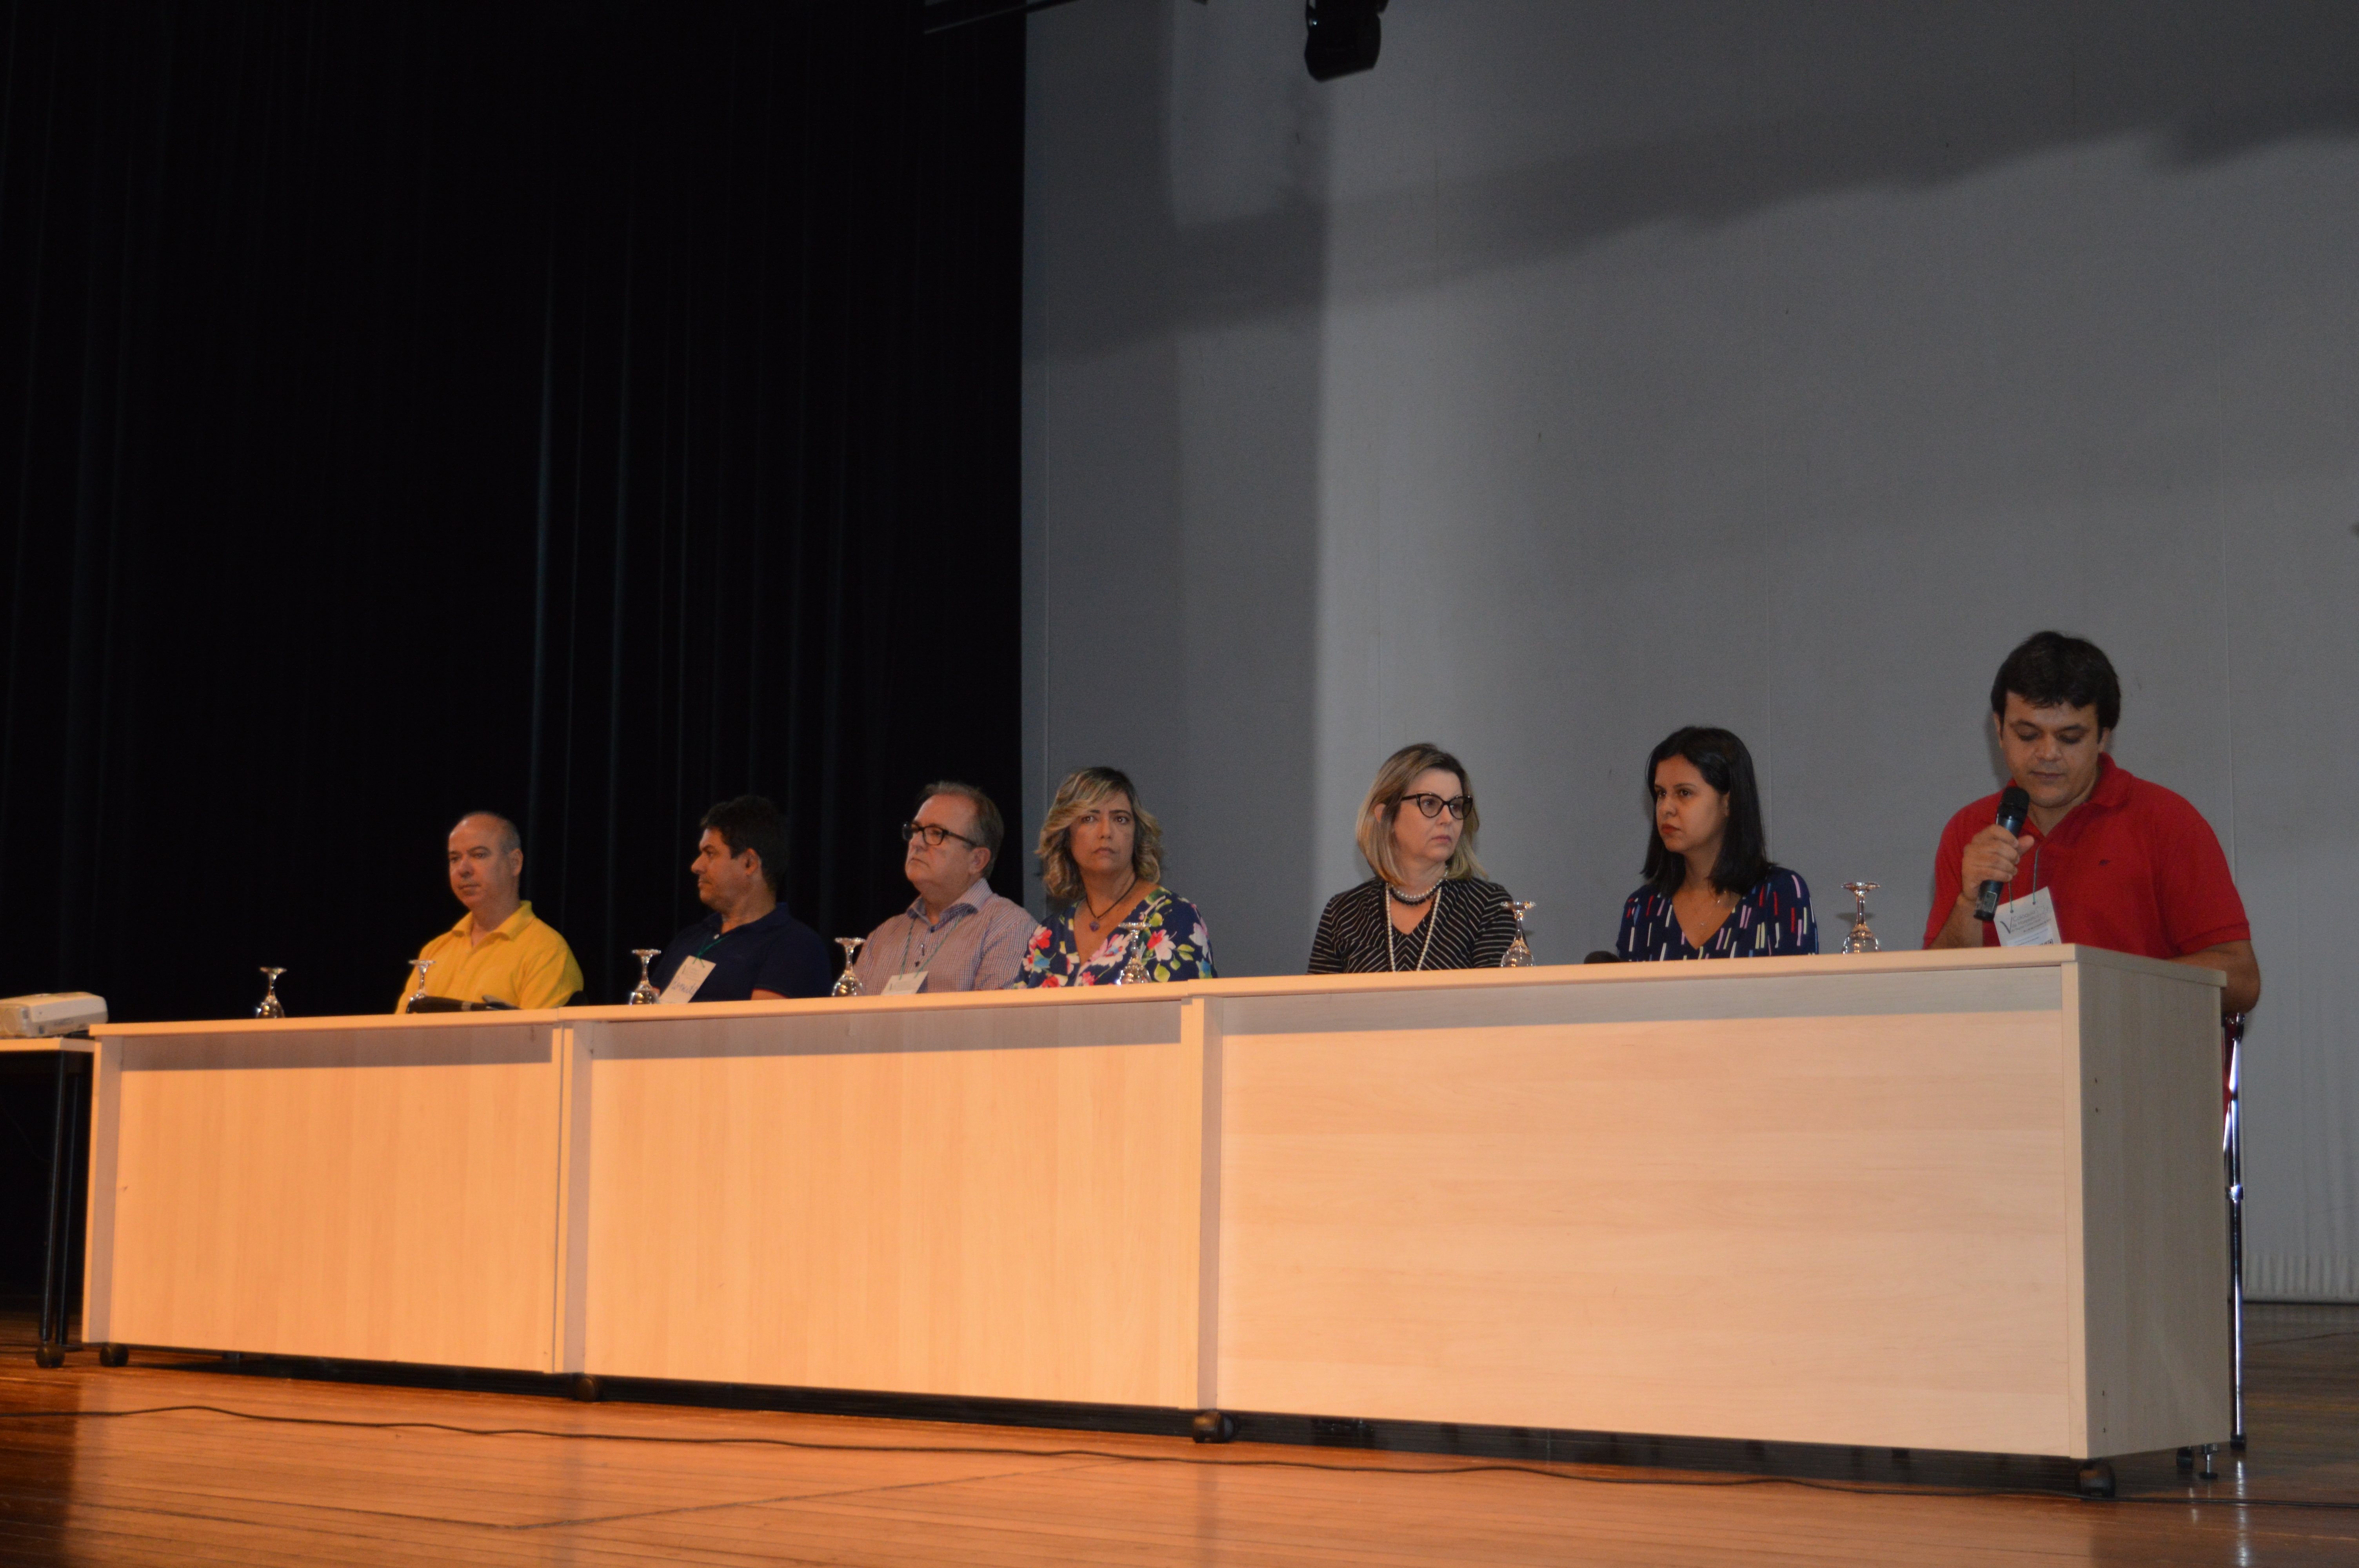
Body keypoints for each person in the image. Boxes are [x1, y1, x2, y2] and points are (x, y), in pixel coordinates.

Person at [1924, 631, 2260, 1014]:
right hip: (2009, 1063)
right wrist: (1968, 903)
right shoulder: (1969, 830)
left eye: (2069, 737)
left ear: (2103, 737)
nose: (2047, 753)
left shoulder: (2165, 822)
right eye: (2027, 734)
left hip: (2132, 1057)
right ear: (1998, 730)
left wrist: (2100, 989)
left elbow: (2242, 981)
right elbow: (1935, 995)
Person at [1309, 742, 1519, 973]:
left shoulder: (1488, 906)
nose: (1448, 819)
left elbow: (1501, 1004)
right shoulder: (1345, 913)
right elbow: (1317, 1007)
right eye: (1430, 803)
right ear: (1386, 816)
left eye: (1456, 806)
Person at [1614, 727, 1816, 960]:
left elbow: (1801, 994)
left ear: (1729, 803)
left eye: (1684, 793)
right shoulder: (1643, 909)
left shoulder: (1779, 894)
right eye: (1661, 794)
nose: (1666, 808)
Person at [1016, 767, 1214, 987]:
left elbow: (1189, 1015)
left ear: (1137, 836)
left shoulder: (1175, 919)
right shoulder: (1048, 935)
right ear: (1065, 835)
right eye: (1089, 818)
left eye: (1120, 819)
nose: (1106, 832)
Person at [850, 781, 1042, 994]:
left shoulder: (1008, 928)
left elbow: (993, 1023)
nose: (916, 843)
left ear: (977, 860)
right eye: (915, 830)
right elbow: (849, 1024)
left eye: (935, 833)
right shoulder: (883, 936)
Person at [645, 796, 832, 1002]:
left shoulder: (796, 945)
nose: (696, 866)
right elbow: (644, 1022)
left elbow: (759, 1031)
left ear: (749, 864)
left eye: (710, 854)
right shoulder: (689, 939)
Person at [396, 811, 583, 1011]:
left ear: (515, 863)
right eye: (455, 858)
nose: (463, 869)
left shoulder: (547, 952)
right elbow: (400, 1034)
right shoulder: (436, 950)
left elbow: (539, 1040)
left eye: (479, 855)